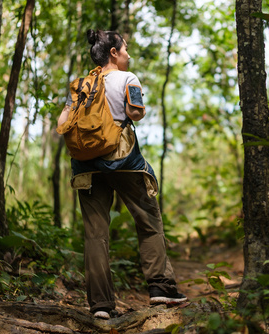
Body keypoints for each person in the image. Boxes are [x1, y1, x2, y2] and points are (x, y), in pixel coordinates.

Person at [57, 29, 187, 320]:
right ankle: (161, 289)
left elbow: (63, 122)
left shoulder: (80, 84)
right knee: (148, 220)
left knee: (95, 233)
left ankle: (101, 306)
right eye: (125, 49)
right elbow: (136, 112)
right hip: (123, 160)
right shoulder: (128, 78)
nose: (128, 54)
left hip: (87, 166)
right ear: (113, 53)